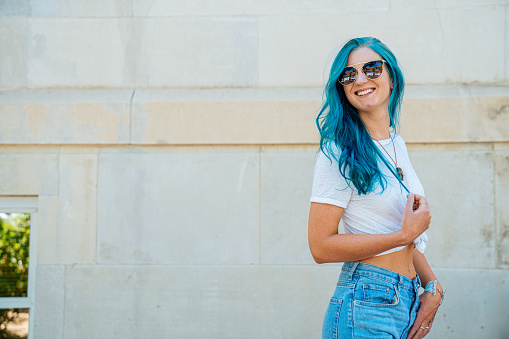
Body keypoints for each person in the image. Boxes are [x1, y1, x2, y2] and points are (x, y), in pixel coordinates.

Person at [308, 37, 445, 339]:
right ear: (342, 90)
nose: (360, 79)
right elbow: (319, 246)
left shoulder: (396, 144)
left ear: (392, 77)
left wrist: (432, 286)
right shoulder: (339, 153)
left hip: (405, 299)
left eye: (371, 68)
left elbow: (404, 236)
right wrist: (403, 235)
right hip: (365, 302)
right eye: (349, 75)